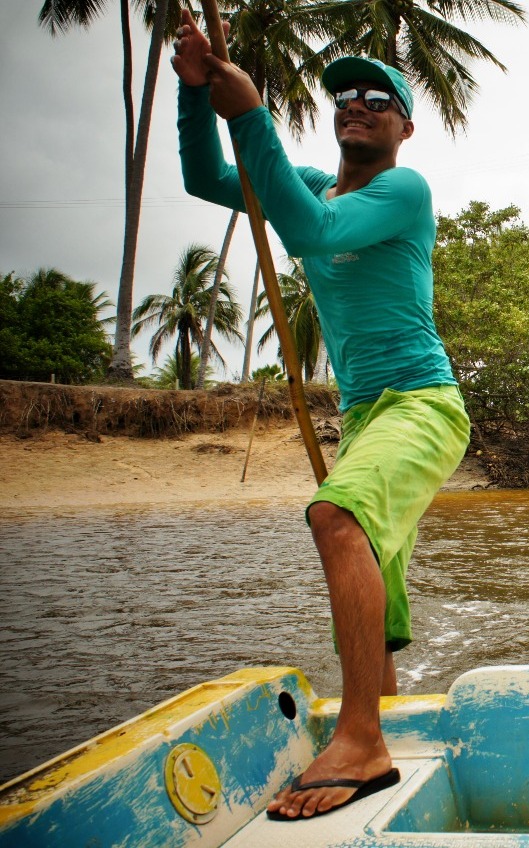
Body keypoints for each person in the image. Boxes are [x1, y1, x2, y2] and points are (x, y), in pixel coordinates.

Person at [171, 10, 471, 821]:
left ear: (405, 126)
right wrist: (195, 93)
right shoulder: (307, 183)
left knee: (337, 515)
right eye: (344, 97)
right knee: (373, 566)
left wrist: (250, 113)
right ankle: (385, 722)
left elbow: (310, 232)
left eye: (378, 99)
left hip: (424, 401)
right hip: (365, 415)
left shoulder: (403, 191)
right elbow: (206, 178)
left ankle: (362, 741)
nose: (357, 106)